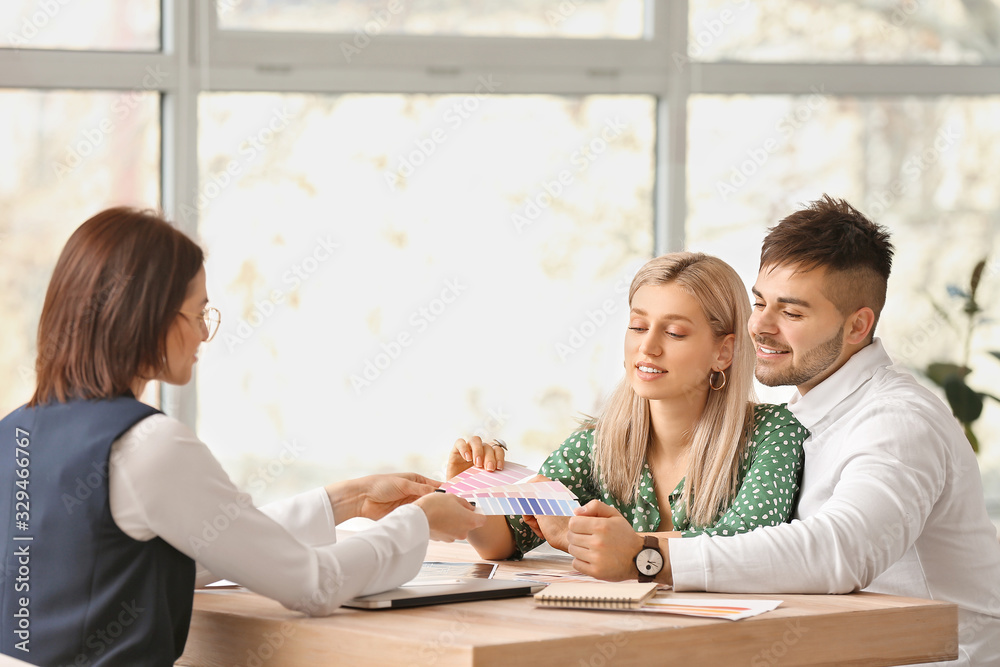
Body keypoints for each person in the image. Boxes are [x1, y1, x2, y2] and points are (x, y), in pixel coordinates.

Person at [0, 207, 485, 666]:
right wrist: (419, 521)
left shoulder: (14, 434)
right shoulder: (149, 445)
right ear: (148, 317)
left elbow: (198, 547)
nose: (203, 338)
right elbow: (313, 586)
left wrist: (350, 499)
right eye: (198, 314)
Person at [567, 196, 1000, 666]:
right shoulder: (804, 414)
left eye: (791, 314)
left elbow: (843, 549)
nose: (760, 328)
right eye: (759, 303)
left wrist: (646, 557)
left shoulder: (897, 419)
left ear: (858, 325)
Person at [448, 252, 808, 562]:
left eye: (675, 333)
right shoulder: (594, 445)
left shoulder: (772, 434)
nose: (647, 347)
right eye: (638, 326)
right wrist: (470, 491)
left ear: (723, 352)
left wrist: (602, 543)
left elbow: (747, 546)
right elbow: (505, 542)